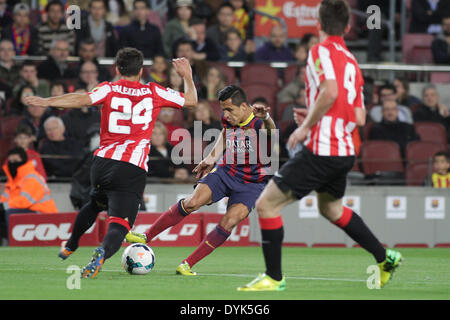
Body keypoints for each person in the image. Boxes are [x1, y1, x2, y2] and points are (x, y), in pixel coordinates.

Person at [237, 0, 402, 292]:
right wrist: (315, 113)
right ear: (349, 27)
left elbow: (330, 92)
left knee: (266, 205)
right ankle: (384, 257)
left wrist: (306, 126)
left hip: (322, 148)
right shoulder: (352, 61)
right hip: (345, 151)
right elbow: (360, 116)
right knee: (332, 209)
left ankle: (273, 278)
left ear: (319, 24)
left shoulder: (320, 51)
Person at [24, 48, 198, 279]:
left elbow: (81, 98)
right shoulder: (154, 91)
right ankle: (102, 253)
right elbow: (191, 101)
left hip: (102, 163)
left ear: (117, 69)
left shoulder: (108, 88)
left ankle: (71, 244)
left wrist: (48, 101)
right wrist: (186, 75)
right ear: (141, 70)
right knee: (119, 224)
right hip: (131, 167)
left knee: (96, 203)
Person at [125, 85, 276, 276]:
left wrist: (266, 118)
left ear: (245, 107)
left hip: (252, 184)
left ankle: (187, 264)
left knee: (229, 221)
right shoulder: (228, 120)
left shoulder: (258, 124)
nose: (226, 114)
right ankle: (146, 236)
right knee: (192, 202)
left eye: (230, 109)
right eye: (223, 110)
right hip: (226, 171)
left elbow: (271, 131)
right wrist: (211, 157)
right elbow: (225, 133)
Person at [0, 147, 58, 234]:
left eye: (15, 160)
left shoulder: (32, 177)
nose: (12, 164)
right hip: (28, 210)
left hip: (42, 212)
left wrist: (4, 206)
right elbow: (5, 197)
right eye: (10, 161)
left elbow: (25, 201)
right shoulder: (13, 180)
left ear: (23, 160)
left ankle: (12, 242)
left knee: (10, 212)